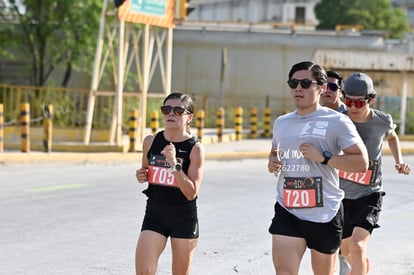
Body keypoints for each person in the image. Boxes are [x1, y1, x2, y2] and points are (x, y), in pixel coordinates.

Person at [267, 61, 369, 275]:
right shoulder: (281, 122)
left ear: (321, 88)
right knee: (284, 271)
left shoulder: (337, 121)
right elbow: (276, 151)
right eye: (293, 83)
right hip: (288, 209)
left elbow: (361, 162)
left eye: (305, 83)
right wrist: (272, 161)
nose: (298, 88)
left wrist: (324, 158)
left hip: (325, 213)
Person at [339, 72, 412, 275]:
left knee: (358, 246)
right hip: (342, 195)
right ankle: (360, 265)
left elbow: (392, 137)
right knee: (345, 250)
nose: (353, 108)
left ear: (371, 99)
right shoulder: (339, 119)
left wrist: (399, 162)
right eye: (348, 101)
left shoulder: (381, 121)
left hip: (369, 194)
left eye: (359, 103)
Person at [134, 92, 205, 275]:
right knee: (144, 272)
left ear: (189, 117)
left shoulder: (195, 149)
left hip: (183, 217)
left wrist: (174, 164)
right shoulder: (151, 141)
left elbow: (191, 193)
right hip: (155, 214)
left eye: (178, 111)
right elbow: (146, 171)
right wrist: (142, 175)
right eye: (167, 109)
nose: (171, 114)